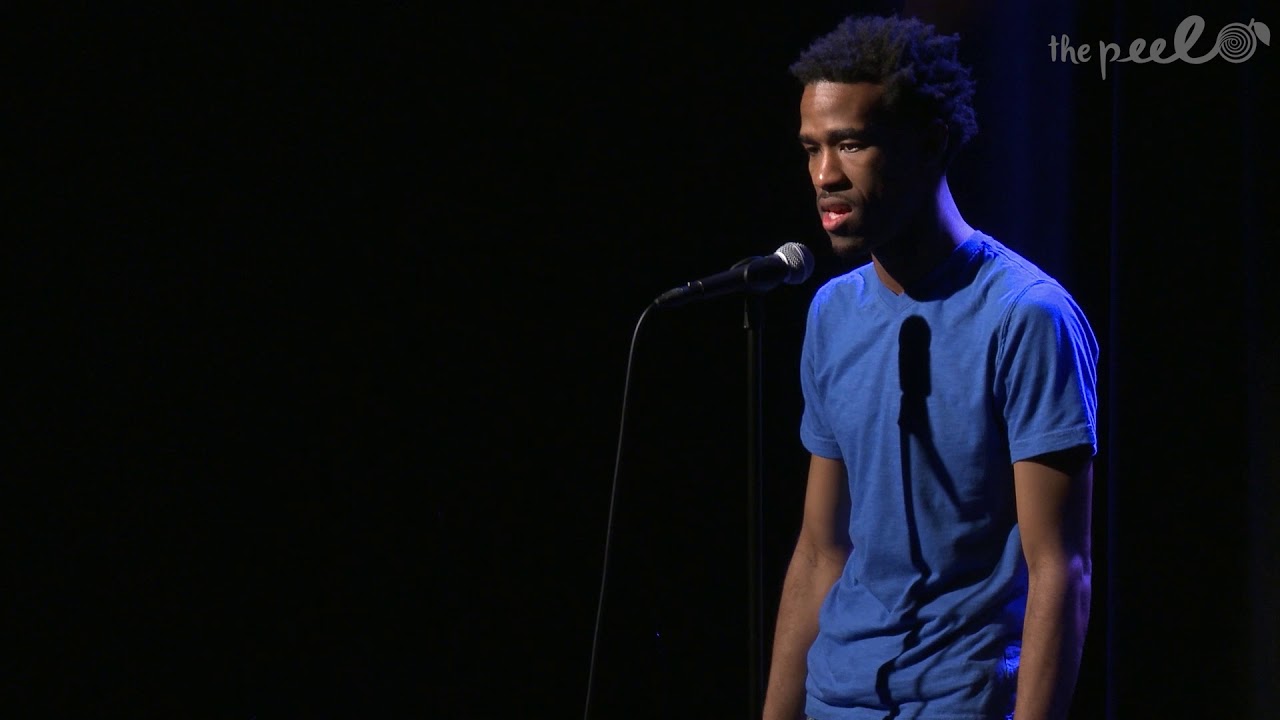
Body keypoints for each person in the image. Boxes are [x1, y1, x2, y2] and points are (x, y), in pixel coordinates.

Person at [762, 15, 1098, 720]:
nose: (824, 176)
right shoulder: (832, 312)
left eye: (851, 144)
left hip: (960, 700)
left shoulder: (1027, 316)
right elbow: (821, 550)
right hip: (834, 699)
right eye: (812, 148)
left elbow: (1059, 569)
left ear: (931, 143)